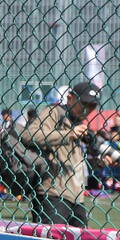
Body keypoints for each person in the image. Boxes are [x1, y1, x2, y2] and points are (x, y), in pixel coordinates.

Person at [19, 82, 100, 227]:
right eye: (84, 104)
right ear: (70, 98)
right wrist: (68, 134)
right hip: (53, 193)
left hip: (76, 197)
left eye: (92, 106)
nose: (87, 110)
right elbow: (29, 135)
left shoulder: (78, 122)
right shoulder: (55, 112)